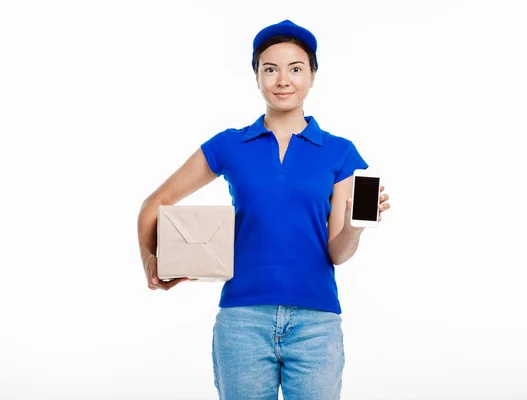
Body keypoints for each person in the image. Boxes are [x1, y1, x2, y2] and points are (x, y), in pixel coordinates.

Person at [137, 19, 391, 400]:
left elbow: (336, 253)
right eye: (269, 69)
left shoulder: (340, 153)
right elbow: (153, 203)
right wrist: (151, 259)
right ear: (256, 77)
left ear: (313, 76)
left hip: (316, 323)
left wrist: (355, 227)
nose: (282, 79)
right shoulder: (229, 145)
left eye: (295, 68)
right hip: (242, 320)